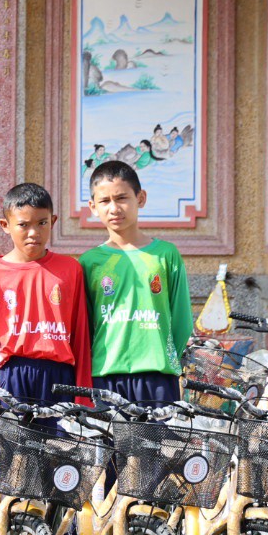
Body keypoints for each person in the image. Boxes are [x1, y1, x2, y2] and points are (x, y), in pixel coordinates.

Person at [81, 160, 193, 404]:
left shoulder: (165, 255)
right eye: (104, 201)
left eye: (122, 198)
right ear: (93, 207)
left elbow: (182, 320)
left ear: (140, 198)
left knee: (156, 431)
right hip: (105, 375)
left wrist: (166, 360)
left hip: (157, 376)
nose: (114, 208)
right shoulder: (89, 262)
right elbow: (85, 326)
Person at [0, 182, 91, 404]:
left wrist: (83, 397)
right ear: (5, 225)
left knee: (62, 430)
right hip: (11, 375)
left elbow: (81, 338)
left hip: (59, 375)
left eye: (42, 223)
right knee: (11, 429)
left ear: (53, 221)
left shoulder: (71, 269)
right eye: (23, 225)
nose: (34, 233)